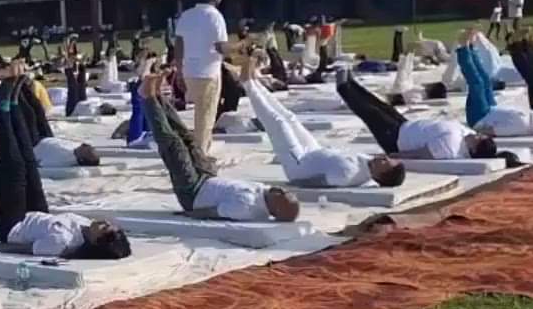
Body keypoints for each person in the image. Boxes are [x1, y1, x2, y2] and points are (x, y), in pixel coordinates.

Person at [0, 75, 131, 258]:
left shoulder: (62, 241)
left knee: (16, 165)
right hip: (39, 214)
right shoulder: (85, 225)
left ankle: (4, 107)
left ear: (95, 241)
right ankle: (15, 103)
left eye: (104, 228)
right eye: (108, 224)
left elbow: (28, 250)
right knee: (30, 164)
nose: (104, 222)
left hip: (14, 225)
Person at [139, 74, 300, 221]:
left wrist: (187, 214)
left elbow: (213, 212)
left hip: (193, 192)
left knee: (174, 145)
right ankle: (158, 98)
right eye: (286, 191)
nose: (281, 190)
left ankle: (148, 98)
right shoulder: (267, 193)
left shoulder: (247, 209)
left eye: (283, 195)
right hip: (208, 177)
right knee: (190, 140)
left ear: (277, 208)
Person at [241, 55, 405, 188]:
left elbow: (316, 182)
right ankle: (255, 83)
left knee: (278, 123)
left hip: (298, 165)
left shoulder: (346, 175)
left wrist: (294, 183)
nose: (383, 158)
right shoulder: (369, 163)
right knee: (289, 117)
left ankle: (247, 84)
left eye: (385, 163)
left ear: (379, 175)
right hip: (313, 151)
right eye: (387, 159)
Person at [336, 67, 507, 162]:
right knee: (380, 105)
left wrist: (398, 156)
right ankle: (351, 84)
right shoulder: (467, 135)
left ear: (473, 149)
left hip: (396, 140)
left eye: (479, 139)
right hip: (405, 126)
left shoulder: (452, 149)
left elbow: (423, 154)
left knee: (370, 113)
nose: (477, 136)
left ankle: (343, 88)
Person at [459, 31, 533, 137]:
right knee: (486, 80)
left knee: (478, 83)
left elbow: (494, 131)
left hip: (480, 118)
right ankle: (471, 47)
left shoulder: (522, 126)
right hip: (491, 110)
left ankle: (463, 48)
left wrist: (475, 131)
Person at [174, 0, 231, 153]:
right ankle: (200, 155)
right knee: (205, 117)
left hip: (189, 71)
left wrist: (179, 71)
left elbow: (178, 44)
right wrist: (238, 48)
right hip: (208, 73)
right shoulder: (215, 16)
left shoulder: (186, 15)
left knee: (201, 115)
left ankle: (204, 148)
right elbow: (221, 47)